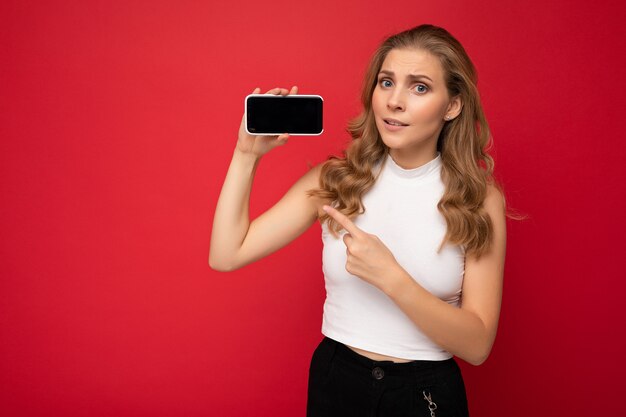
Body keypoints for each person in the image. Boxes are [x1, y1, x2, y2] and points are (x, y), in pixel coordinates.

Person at [210, 24, 509, 417]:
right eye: (387, 82)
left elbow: (477, 345)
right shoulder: (336, 179)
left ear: (452, 105)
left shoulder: (479, 199)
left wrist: (391, 278)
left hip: (424, 395)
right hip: (337, 382)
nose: (395, 102)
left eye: (419, 87)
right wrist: (245, 155)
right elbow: (227, 254)